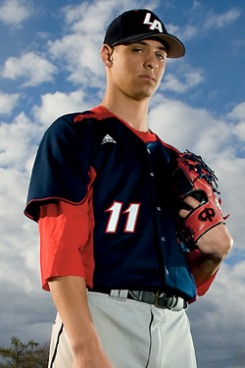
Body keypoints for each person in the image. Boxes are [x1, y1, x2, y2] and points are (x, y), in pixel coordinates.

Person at [24, 9, 233, 368]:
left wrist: (213, 256)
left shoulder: (173, 160)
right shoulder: (75, 133)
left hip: (175, 326)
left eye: (160, 54)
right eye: (137, 49)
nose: (151, 61)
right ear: (108, 55)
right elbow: (61, 248)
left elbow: (181, 274)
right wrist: (85, 346)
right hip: (103, 315)